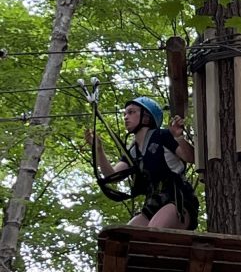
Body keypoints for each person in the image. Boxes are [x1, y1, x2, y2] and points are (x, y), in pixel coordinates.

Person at [85, 96, 199, 230]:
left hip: (178, 201)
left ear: (146, 117)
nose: (126, 117)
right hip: (153, 204)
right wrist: (99, 150)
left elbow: (191, 157)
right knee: (126, 237)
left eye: (131, 112)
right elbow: (112, 175)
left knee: (152, 231)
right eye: (125, 114)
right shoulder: (133, 151)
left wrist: (178, 137)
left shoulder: (163, 136)